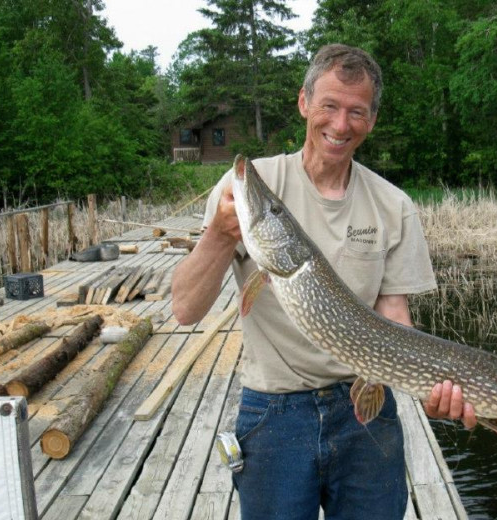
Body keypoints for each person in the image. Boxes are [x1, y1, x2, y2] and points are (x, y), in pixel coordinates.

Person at [172, 44, 477, 520]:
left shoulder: (393, 205)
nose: (340, 124)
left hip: (365, 416)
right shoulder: (247, 190)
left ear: (370, 121)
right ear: (304, 103)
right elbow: (186, 310)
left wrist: (432, 391)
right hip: (273, 414)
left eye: (356, 112)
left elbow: (394, 320)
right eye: (330, 106)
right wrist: (217, 235)